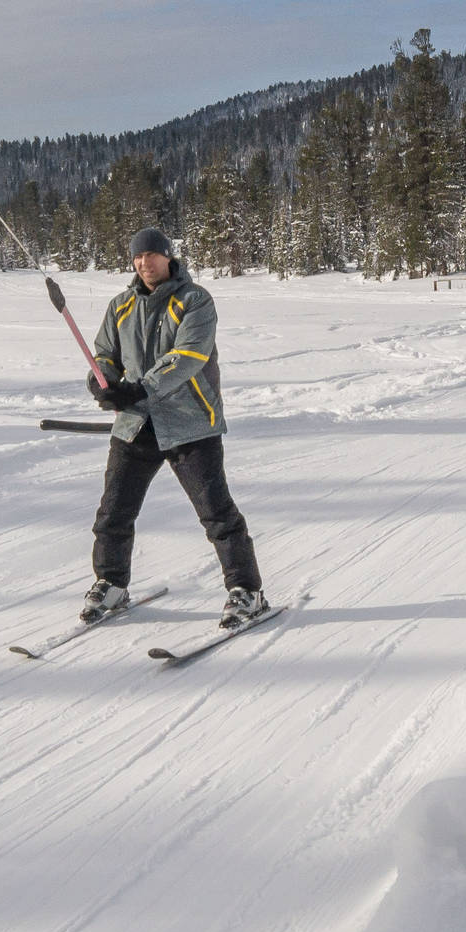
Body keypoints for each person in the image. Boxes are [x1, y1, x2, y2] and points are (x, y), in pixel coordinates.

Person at [81, 227, 267, 630]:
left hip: (190, 424)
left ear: (168, 258)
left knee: (217, 515)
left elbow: (187, 356)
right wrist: (102, 383)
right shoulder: (120, 306)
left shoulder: (195, 300)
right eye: (137, 256)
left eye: (151, 255)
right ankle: (111, 582)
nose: (144, 263)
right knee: (114, 513)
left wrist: (138, 389)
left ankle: (246, 591)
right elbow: (105, 355)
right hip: (135, 427)